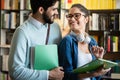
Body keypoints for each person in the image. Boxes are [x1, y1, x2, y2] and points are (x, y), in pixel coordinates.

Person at [8, 0, 64, 80]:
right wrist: (48, 75)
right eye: (53, 9)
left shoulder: (55, 28)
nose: (57, 13)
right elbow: (15, 72)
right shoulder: (22, 32)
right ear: (41, 10)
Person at [58, 4, 111, 80]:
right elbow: (65, 76)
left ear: (86, 19)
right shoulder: (67, 41)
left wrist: (99, 60)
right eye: (70, 16)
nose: (72, 19)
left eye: (77, 15)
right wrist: (93, 73)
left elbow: (97, 77)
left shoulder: (92, 41)